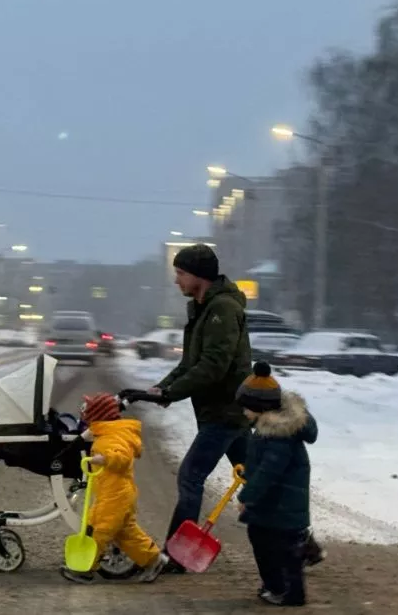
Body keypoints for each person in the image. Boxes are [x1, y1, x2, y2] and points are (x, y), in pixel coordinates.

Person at [146, 243, 253, 573]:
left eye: (180, 273)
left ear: (199, 276)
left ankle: (175, 555)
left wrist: (171, 393)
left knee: (191, 477)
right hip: (226, 410)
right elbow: (189, 363)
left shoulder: (221, 309)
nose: (176, 280)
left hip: (225, 410)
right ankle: (302, 545)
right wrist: (161, 388)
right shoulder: (203, 307)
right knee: (258, 478)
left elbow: (212, 367)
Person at [60, 393, 169, 585]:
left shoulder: (113, 436)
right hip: (115, 494)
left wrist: (105, 459)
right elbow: (89, 435)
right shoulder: (109, 431)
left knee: (98, 530)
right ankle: (154, 559)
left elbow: (123, 457)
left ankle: (85, 569)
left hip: (114, 496)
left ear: (98, 415)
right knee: (125, 533)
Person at [235, 362, 317, 607]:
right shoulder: (268, 428)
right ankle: (276, 586)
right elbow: (262, 466)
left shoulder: (278, 435)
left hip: (283, 506)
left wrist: (246, 496)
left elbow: (269, 473)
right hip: (274, 505)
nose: (243, 413)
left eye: (246, 408)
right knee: (264, 538)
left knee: (284, 550)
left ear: (259, 406)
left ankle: (289, 593)